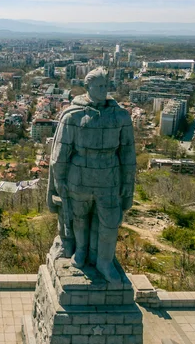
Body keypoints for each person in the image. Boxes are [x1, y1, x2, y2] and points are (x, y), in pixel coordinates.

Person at [47, 67, 136, 283]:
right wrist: (59, 183)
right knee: (79, 218)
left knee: (109, 221)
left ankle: (104, 261)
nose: (104, 90)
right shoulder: (73, 115)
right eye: (99, 86)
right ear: (88, 87)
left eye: (106, 86)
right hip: (79, 177)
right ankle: (81, 252)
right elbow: (60, 153)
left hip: (109, 176)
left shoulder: (120, 116)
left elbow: (127, 152)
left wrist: (127, 182)